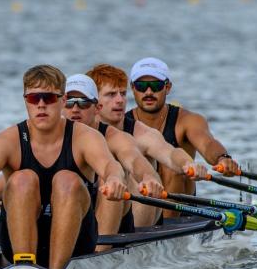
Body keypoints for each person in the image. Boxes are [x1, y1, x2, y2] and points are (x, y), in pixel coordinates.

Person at [0, 64, 126, 269]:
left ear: (62, 100)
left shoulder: (84, 137)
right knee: (23, 179)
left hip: (77, 241)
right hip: (17, 239)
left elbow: (109, 164)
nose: (40, 105)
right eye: (33, 98)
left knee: (67, 179)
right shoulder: (8, 140)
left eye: (48, 98)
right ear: (25, 101)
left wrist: (114, 179)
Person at [0, 74, 163, 240]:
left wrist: (148, 177)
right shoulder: (48, 137)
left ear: (97, 108)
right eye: (70, 102)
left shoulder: (114, 137)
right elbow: (13, 172)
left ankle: (98, 254)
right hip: (69, 217)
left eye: (83, 103)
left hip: (108, 222)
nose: (75, 109)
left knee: (110, 178)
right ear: (61, 103)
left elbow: (134, 159)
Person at [86, 63, 211, 225]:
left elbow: (171, 153)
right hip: (95, 213)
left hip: (138, 220)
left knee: (126, 173)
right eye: (111, 95)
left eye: (123, 94)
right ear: (95, 101)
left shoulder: (141, 133)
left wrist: (188, 164)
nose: (120, 101)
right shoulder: (81, 131)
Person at [123, 57, 240, 217]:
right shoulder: (121, 124)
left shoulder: (188, 120)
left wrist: (223, 158)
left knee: (173, 166)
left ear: (168, 87)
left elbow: (207, 143)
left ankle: (168, 228)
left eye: (156, 86)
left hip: (179, 209)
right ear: (132, 88)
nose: (148, 92)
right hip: (140, 209)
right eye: (141, 86)